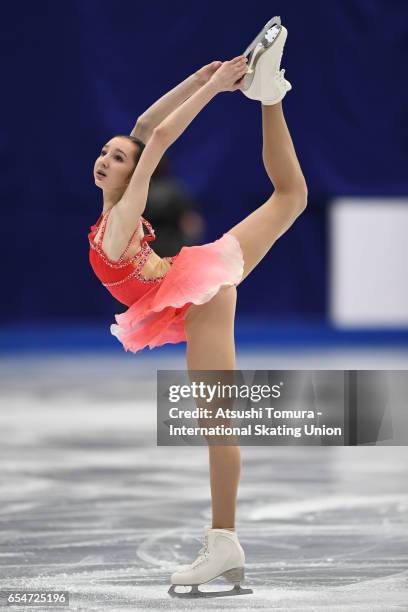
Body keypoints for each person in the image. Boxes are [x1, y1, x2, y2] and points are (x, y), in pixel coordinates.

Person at [88, 15, 307, 598]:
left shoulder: (120, 220)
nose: (106, 160)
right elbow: (146, 133)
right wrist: (210, 80)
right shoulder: (115, 222)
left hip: (198, 293)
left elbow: (149, 135)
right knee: (291, 197)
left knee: (219, 424)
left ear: (133, 177)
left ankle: (224, 542)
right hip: (189, 288)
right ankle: (270, 98)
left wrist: (207, 81)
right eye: (104, 155)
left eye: (115, 158)